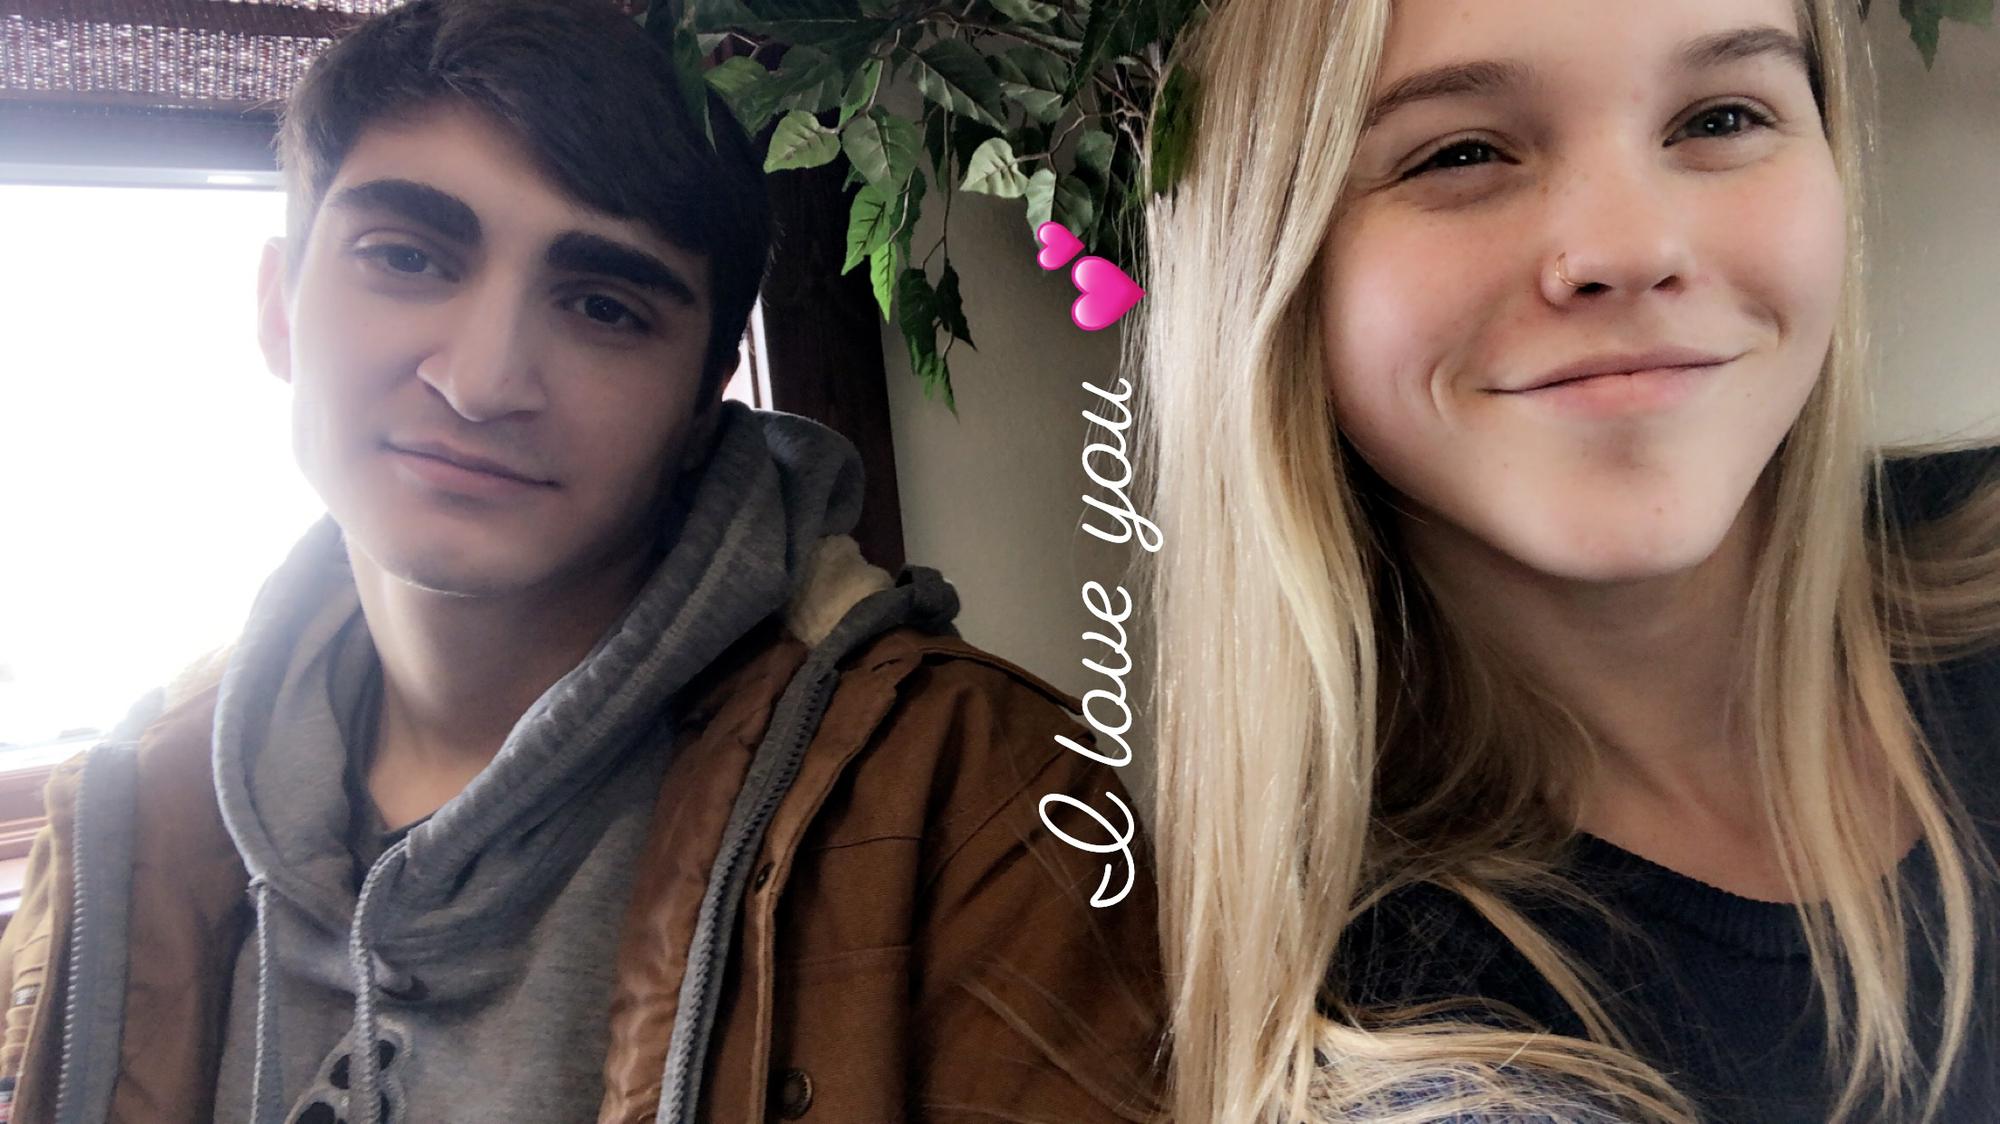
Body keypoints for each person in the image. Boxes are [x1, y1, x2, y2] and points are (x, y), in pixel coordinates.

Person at [0, 0, 1168, 1121]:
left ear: (704, 396)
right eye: (405, 256)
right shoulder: (124, 813)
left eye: (604, 307)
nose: (481, 382)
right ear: (278, 306)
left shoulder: (983, 797)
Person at [1133, 0, 2000, 1121]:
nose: (1632, 249)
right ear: (1272, 259)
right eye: (1459, 152)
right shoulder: (1412, 1037)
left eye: (1720, 118)